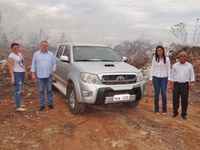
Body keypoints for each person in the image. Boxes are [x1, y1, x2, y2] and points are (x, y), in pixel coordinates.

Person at [31, 41, 56, 111]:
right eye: (43, 45)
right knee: (41, 91)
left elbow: (54, 64)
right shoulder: (36, 54)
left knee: (49, 90)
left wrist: (53, 71)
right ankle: (42, 105)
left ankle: (50, 104)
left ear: (47, 46)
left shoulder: (51, 54)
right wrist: (33, 73)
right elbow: (33, 64)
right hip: (39, 76)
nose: (45, 46)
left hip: (49, 76)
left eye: (46, 45)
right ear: (40, 46)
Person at [170, 51, 195, 120]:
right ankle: (175, 112)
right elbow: (172, 75)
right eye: (181, 56)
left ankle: (184, 114)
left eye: (184, 56)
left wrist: (191, 84)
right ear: (178, 57)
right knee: (175, 99)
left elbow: (192, 75)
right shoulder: (175, 65)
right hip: (176, 84)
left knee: (184, 99)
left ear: (186, 57)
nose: (182, 57)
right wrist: (171, 83)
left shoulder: (189, 66)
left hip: (185, 85)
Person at [149, 45, 171, 115]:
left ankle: (164, 110)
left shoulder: (167, 59)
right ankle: (156, 110)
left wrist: (169, 79)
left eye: (160, 50)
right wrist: (150, 78)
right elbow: (152, 68)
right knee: (156, 93)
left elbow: (169, 69)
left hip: (164, 78)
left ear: (163, 51)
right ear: (156, 51)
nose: (159, 51)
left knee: (164, 93)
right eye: (158, 50)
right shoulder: (154, 58)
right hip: (156, 77)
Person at [8, 43, 27, 112]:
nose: (16, 49)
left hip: (22, 73)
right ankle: (18, 107)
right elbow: (10, 68)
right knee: (17, 91)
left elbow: (23, 64)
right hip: (17, 74)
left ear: (19, 48)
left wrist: (25, 73)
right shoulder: (11, 56)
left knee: (20, 89)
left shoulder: (19, 54)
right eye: (14, 48)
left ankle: (18, 103)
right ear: (12, 49)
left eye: (17, 47)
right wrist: (12, 77)